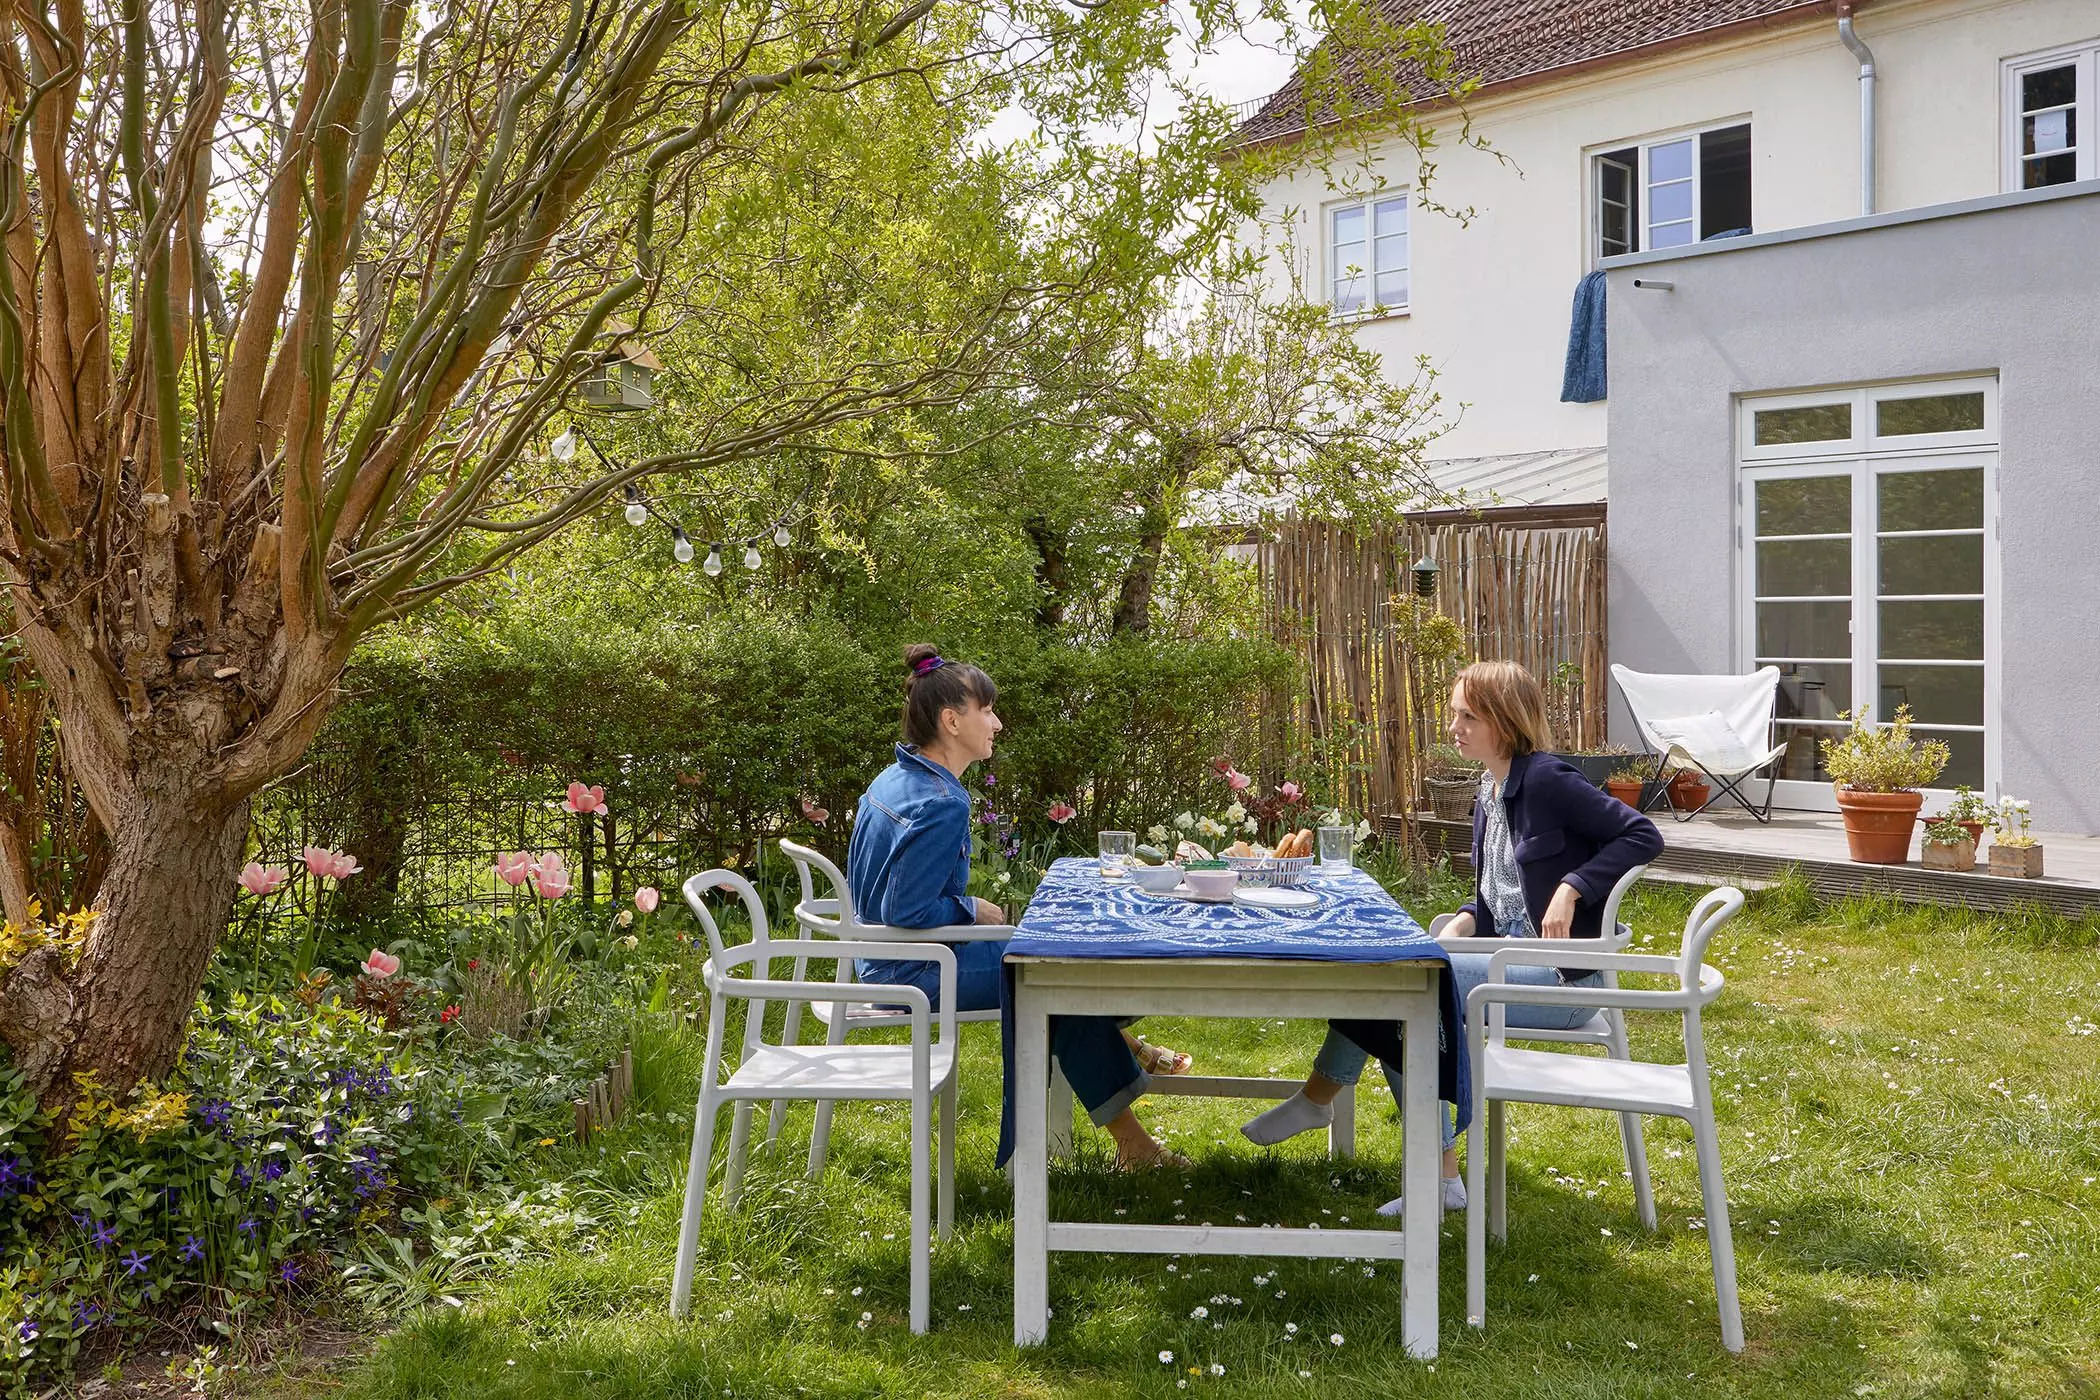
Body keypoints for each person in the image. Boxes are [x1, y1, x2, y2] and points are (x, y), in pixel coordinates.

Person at [1241, 659, 1664, 1214]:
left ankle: (1352, 1119)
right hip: (1503, 962)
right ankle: (1417, 1161)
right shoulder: (1489, 793)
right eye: (1454, 714)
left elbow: (1642, 833)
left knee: (1404, 989)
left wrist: (1573, 887)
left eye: (1468, 716)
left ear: (1504, 721)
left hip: (1560, 981)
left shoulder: (1546, 779)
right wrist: (1466, 920)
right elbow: (1496, 895)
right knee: (1390, 978)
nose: (1454, 726)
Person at [848, 644, 1186, 1167]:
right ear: (951, 720)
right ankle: (1134, 1144)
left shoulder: (897, 778)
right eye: (986, 710)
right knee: (1054, 977)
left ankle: (1123, 1064)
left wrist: (964, 909)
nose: (997, 722)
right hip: (912, 971)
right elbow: (907, 913)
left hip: (887, 960)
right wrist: (970, 911)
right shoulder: (940, 803)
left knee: (1056, 967)